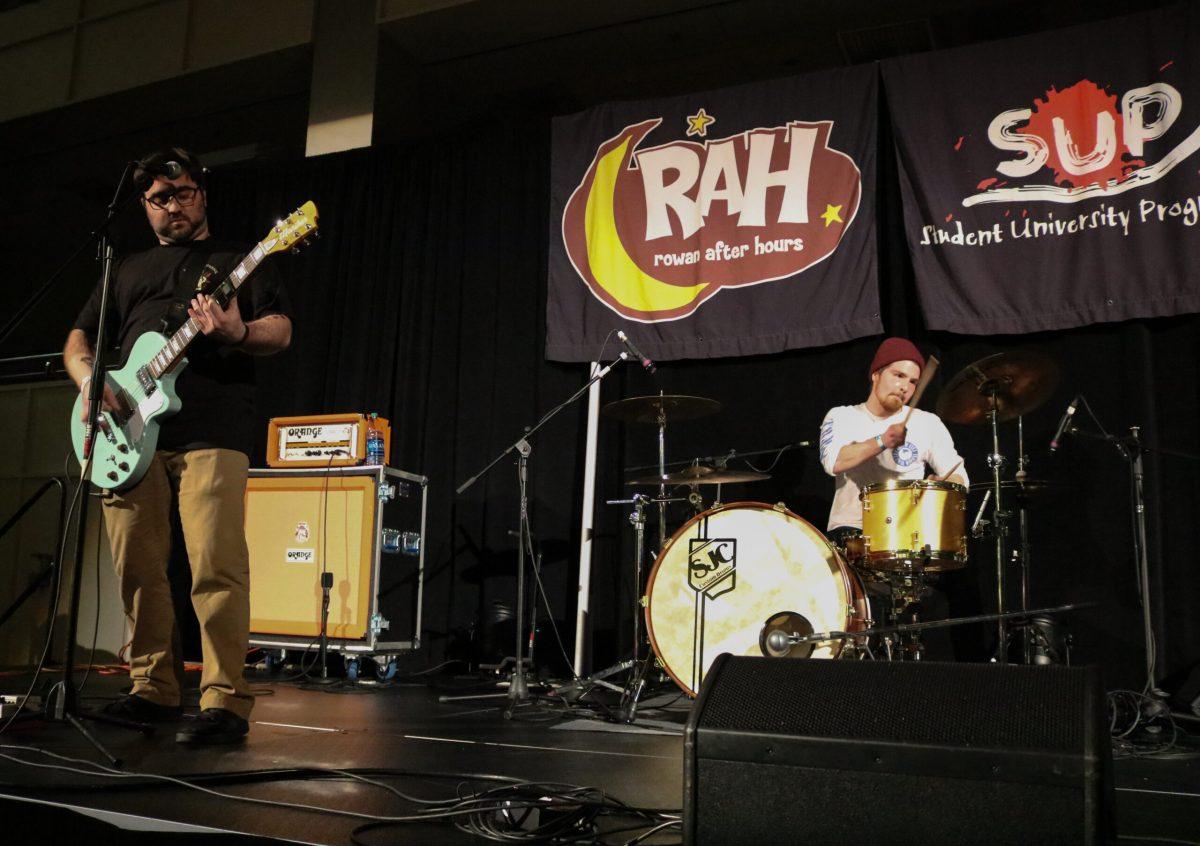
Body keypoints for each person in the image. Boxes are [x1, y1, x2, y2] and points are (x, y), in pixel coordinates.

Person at [62, 147, 293, 744]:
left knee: (214, 565)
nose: (173, 206)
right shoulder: (127, 270)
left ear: (202, 194)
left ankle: (224, 701)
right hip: (126, 432)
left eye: (183, 193)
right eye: (159, 200)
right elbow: (78, 338)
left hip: (212, 428)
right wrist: (90, 381)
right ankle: (153, 689)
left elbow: (281, 329)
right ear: (145, 207)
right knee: (137, 566)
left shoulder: (238, 260)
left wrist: (237, 330)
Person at [818, 337, 968, 659]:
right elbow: (834, 462)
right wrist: (881, 440)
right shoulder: (843, 416)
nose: (905, 387)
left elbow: (960, 476)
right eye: (898, 376)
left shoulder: (928, 424)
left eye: (913, 381)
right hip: (851, 534)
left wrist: (943, 483)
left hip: (906, 540)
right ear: (876, 374)